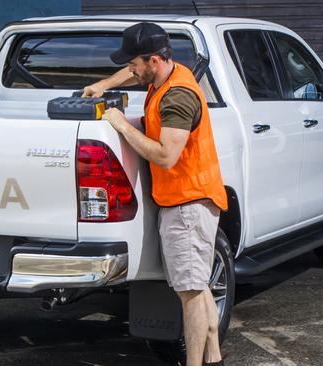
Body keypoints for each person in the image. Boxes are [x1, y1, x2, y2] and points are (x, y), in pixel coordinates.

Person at [82, 22, 228, 366]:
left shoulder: (177, 97)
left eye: (134, 63)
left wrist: (120, 125)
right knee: (199, 286)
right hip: (191, 200)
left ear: (154, 61)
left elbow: (166, 155)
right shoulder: (168, 74)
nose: (130, 70)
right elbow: (133, 77)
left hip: (187, 205)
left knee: (190, 294)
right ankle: (215, 359)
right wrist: (103, 84)